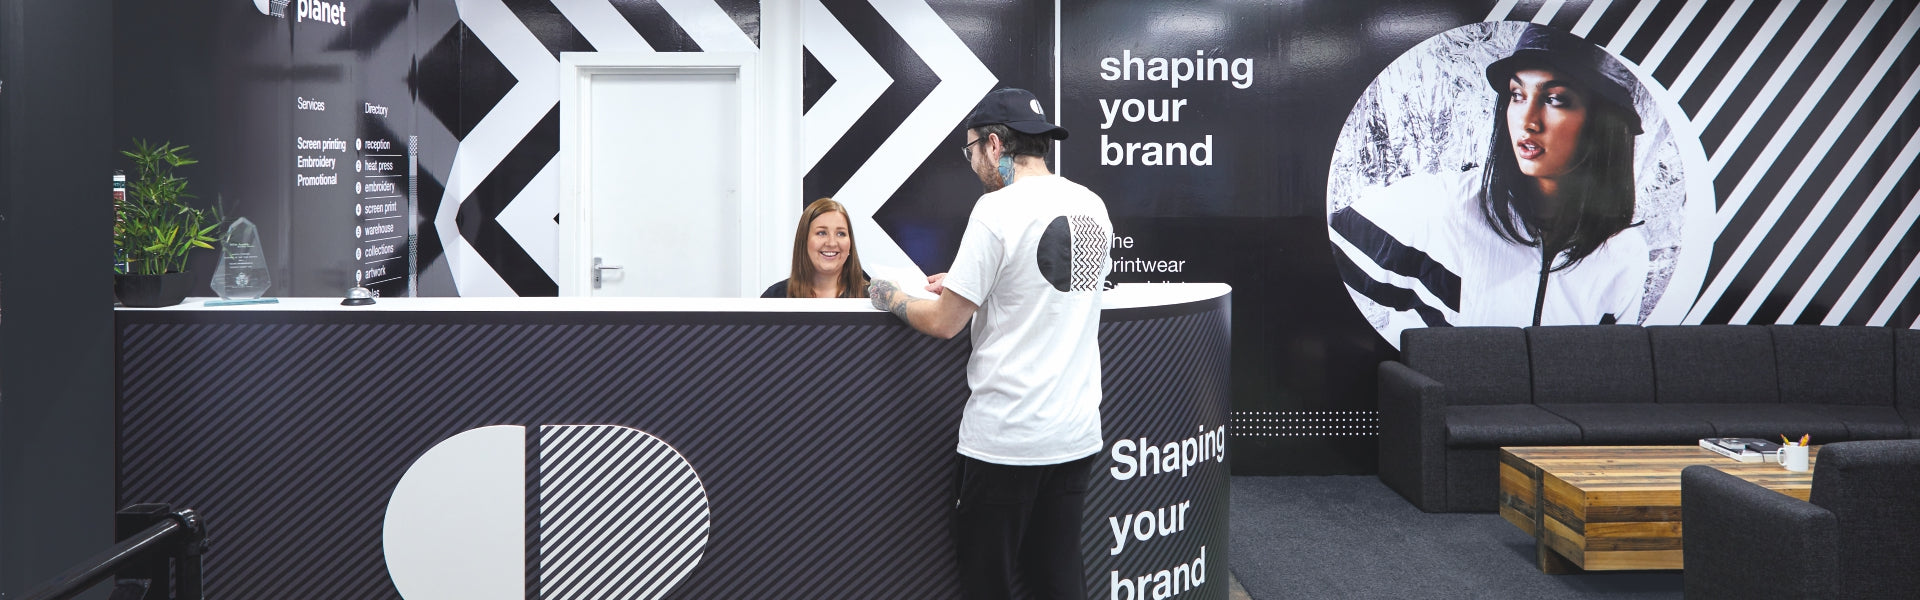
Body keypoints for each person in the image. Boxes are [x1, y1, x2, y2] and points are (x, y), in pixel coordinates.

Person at [868, 87, 1113, 599]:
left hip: (1007, 440)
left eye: (971, 150)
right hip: (1075, 433)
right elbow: (1044, 291)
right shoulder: (1092, 204)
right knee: (1059, 577)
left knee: (988, 582)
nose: (973, 163)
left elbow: (944, 324)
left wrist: (889, 296)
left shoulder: (995, 209)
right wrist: (967, 284)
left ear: (995, 144)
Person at [1329, 24, 1647, 343]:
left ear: (1606, 123)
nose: (1527, 120)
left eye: (1554, 99)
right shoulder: (1440, 209)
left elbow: (1602, 366)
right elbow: (1313, 267)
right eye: (1517, 95)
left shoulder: (1623, 254)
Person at [762, 197, 870, 298]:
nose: (832, 243)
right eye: (821, 233)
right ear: (804, 240)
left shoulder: (872, 298)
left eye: (841, 233)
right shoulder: (774, 298)